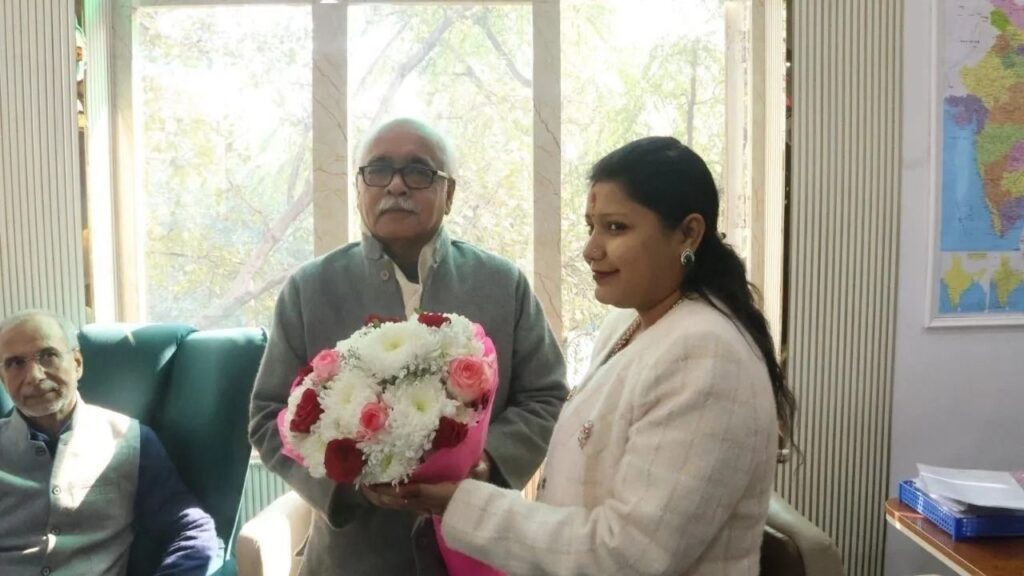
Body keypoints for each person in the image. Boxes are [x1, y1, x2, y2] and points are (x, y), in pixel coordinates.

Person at [396, 136, 798, 575]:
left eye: (616, 227)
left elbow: (629, 556)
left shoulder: (706, 354)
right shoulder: (630, 325)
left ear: (688, 233)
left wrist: (464, 504)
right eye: (591, 226)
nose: (591, 249)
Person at [248, 117, 568, 575]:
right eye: (378, 170)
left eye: (419, 172)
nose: (396, 185)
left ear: (449, 194)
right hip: (353, 558)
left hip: (477, 550)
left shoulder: (502, 284)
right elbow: (267, 414)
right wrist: (345, 486)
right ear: (360, 189)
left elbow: (547, 395)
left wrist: (485, 463)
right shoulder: (310, 288)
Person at [0, 310, 219, 576]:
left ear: (78, 363)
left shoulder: (130, 439)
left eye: (48, 355)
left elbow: (191, 528)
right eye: (15, 363)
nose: (33, 375)